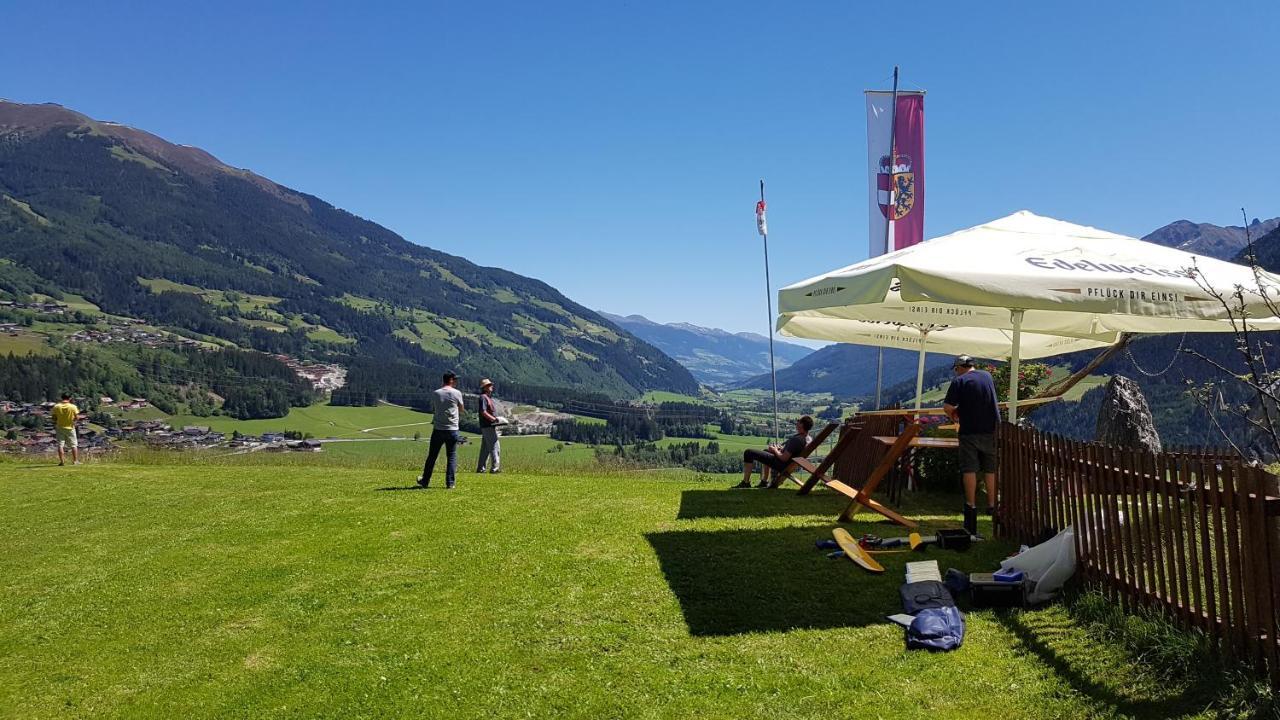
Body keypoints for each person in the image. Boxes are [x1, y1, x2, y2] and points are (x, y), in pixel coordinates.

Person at [943, 355, 1001, 536]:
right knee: (990, 469)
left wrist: (954, 416)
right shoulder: (987, 376)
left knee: (969, 469)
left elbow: (947, 406)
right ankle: (992, 505)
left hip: (969, 431)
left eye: (956, 369)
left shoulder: (959, 381)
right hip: (992, 430)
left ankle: (971, 504)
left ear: (959, 367)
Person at [735, 415, 814, 489]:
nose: (796, 423)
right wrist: (781, 449)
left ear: (802, 425)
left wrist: (775, 450)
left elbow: (784, 458)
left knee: (748, 452)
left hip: (782, 465)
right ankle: (764, 482)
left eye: (798, 421)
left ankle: (746, 482)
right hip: (791, 464)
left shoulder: (797, 439)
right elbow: (792, 451)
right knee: (766, 451)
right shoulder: (808, 438)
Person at [418, 372, 466, 489]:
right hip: (452, 429)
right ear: (450, 380)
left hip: (438, 429)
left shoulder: (436, 393)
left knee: (432, 456)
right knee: (451, 456)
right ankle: (450, 483)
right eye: (454, 380)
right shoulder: (457, 393)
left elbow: (435, 408)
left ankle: (425, 481)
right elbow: (461, 409)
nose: (456, 381)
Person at [475, 378, 502, 474]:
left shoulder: (487, 397)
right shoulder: (483, 397)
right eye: (490, 385)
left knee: (485, 449)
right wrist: (493, 419)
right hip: (488, 425)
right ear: (485, 388)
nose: (492, 387)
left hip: (487, 426)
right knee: (495, 446)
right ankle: (495, 468)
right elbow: (483, 411)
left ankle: (481, 468)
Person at [52, 393, 80, 466]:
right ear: (69, 398)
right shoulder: (73, 407)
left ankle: (62, 462)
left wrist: (57, 421)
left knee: (60, 445)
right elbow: (77, 417)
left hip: (60, 427)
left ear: (61, 398)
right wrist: (73, 421)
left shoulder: (56, 406)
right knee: (74, 445)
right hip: (70, 428)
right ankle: (75, 461)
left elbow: (54, 418)